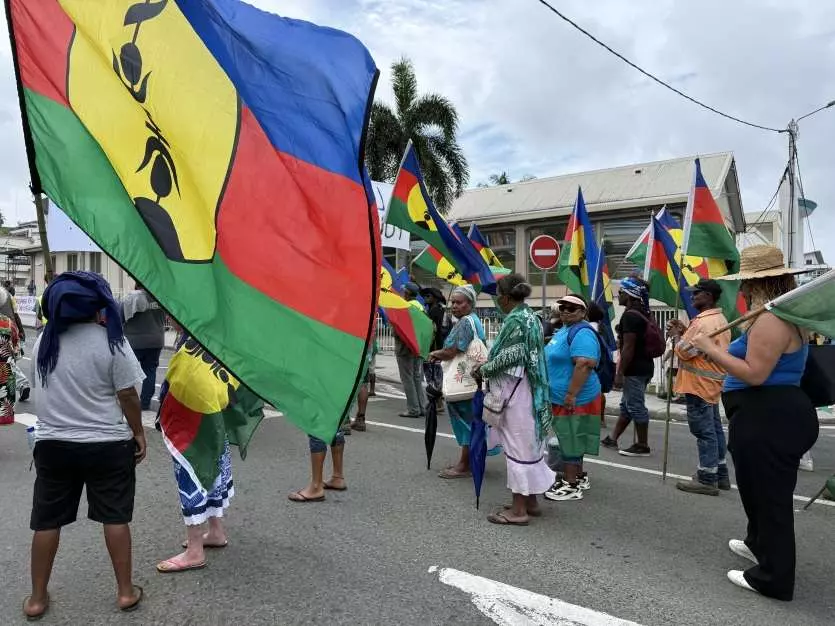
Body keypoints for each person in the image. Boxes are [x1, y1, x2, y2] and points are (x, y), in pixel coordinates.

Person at [690, 245, 818, 601]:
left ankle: (773, 578)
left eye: (746, 283)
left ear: (760, 283)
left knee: (770, 498)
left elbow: (756, 374)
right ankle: (757, 544)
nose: (741, 290)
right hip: (763, 415)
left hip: (770, 415)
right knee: (755, 490)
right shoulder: (773, 313)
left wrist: (712, 348)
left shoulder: (772, 319)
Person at [25, 272, 146, 619]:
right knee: (115, 516)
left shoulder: (44, 341)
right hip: (106, 445)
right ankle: (125, 592)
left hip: (53, 445)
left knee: (46, 521)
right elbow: (127, 394)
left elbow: (40, 387)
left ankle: (36, 598)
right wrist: (138, 433)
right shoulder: (111, 341)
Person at [472, 274, 554, 524]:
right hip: (531, 390)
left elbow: (513, 356)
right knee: (530, 447)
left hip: (517, 392)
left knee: (518, 448)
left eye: (497, 295)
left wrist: (483, 369)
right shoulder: (531, 316)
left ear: (506, 297)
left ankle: (519, 511)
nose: (497, 300)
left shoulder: (516, 320)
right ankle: (531, 501)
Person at [666, 279, 732, 496]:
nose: (693, 297)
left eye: (697, 293)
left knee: (704, 432)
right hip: (711, 384)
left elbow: (686, 351)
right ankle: (720, 474)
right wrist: (685, 331)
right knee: (714, 430)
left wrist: (677, 337)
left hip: (698, 385)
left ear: (709, 297)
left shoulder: (703, 323)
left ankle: (707, 478)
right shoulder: (718, 319)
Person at [544, 295, 602, 502]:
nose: (566, 311)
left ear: (583, 312)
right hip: (564, 396)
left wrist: (571, 394)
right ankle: (577, 475)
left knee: (570, 438)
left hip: (575, 397)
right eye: (563, 307)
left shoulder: (583, 332)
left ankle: (571, 485)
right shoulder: (566, 330)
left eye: (572, 308)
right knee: (572, 436)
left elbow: (584, 363)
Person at [429, 285, 486, 479]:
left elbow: (453, 350)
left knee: (465, 422)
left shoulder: (465, 323)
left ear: (470, 304)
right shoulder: (474, 321)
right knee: (473, 420)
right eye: (453, 302)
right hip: (474, 380)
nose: (454, 306)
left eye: (459, 302)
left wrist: (434, 353)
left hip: (464, 382)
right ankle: (471, 461)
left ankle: (464, 465)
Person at [601, 276, 654, 457]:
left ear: (630, 295)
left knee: (636, 405)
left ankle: (642, 445)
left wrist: (620, 372)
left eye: (621, 292)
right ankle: (613, 438)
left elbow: (629, 347)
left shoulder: (631, 316)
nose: (618, 295)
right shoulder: (643, 313)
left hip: (635, 369)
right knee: (627, 405)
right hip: (644, 367)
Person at [121, 283, 166, 410]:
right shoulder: (160, 297)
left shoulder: (133, 298)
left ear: (136, 287)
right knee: (150, 371)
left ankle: (127, 402)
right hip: (156, 340)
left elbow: (121, 315)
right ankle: (145, 403)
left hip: (135, 342)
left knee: (127, 372)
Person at [395, 282, 428, 418]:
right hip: (417, 347)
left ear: (407, 293)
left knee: (407, 378)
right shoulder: (420, 307)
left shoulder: (407, 307)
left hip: (405, 348)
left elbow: (401, 329)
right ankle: (422, 406)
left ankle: (413, 409)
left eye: (404, 292)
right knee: (416, 377)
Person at [421, 287, 447, 412]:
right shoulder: (439, 309)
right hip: (438, 347)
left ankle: (438, 403)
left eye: (428, 296)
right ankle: (438, 402)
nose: (425, 298)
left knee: (432, 376)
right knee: (436, 375)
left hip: (433, 347)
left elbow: (430, 328)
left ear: (434, 298)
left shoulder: (435, 311)